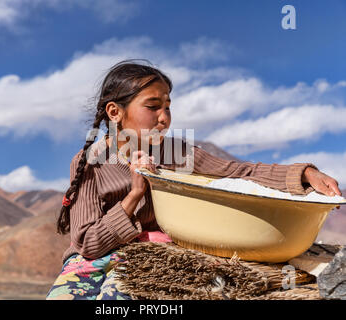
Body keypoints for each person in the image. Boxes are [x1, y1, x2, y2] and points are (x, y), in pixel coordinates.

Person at [46, 59, 342, 300]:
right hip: (94, 261)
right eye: (152, 107)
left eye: (168, 107)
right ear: (115, 112)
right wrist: (135, 194)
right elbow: (88, 244)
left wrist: (303, 173)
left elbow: (240, 172)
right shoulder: (90, 163)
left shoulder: (178, 153)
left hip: (153, 257)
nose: (164, 118)